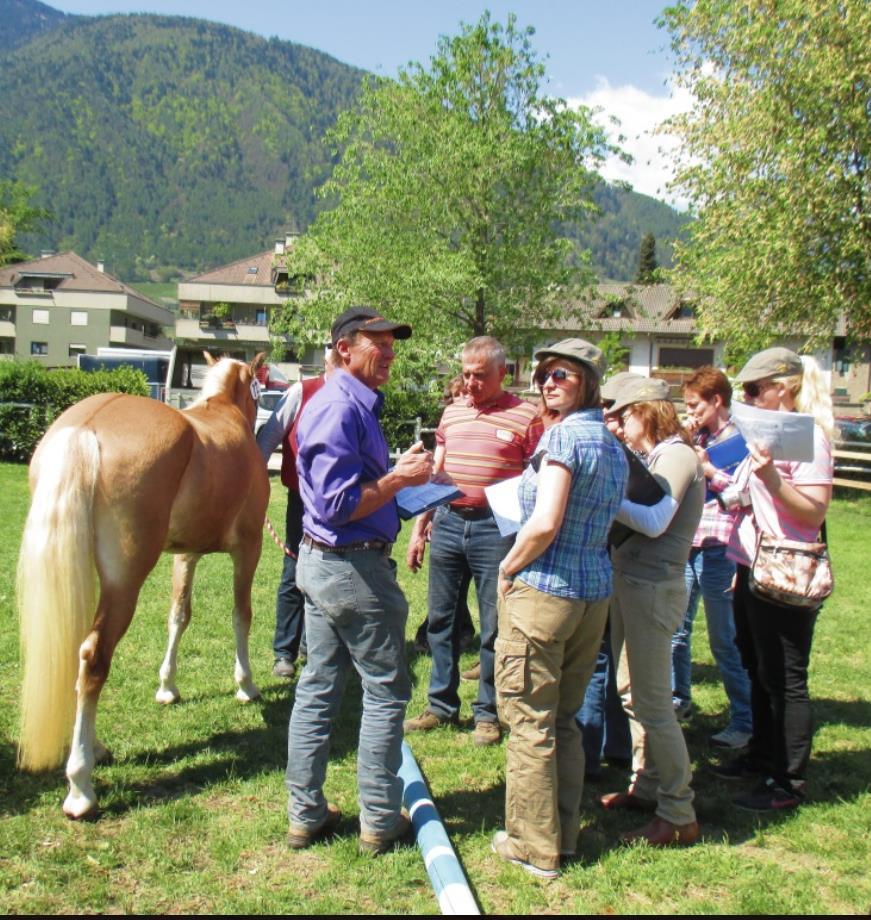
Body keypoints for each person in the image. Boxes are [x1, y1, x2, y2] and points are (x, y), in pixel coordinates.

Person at [285, 305, 434, 854]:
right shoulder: (338, 408)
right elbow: (338, 503)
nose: (391, 350)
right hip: (352, 569)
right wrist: (400, 478)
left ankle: (306, 815)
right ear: (344, 348)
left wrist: (395, 474)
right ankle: (378, 820)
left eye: (394, 342)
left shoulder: (347, 404)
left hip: (329, 566)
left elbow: (342, 489)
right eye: (380, 341)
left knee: (319, 689)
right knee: (386, 690)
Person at [489, 339, 628, 878]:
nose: (548, 382)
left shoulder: (565, 436)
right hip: (592, 592)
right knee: (563, 721)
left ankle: (533, 845)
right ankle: (563, 837)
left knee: (529, 723)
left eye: (563, 375)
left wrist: (508, 567)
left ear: (589, 382)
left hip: (546, 592)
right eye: (545, 373)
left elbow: (545, 522)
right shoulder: (613, 443)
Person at [404, 336, 543, 746]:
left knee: (494, 626)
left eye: (480, 376)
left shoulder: (527, 416)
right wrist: (419, 528)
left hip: (496, 530)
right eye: (465, 374)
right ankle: (441, 706)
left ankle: (487, 713)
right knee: (441, 621)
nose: (470, 383)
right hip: (448, 522)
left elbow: (537, 479)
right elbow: (439, 474)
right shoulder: (452, 413)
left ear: (504, 373)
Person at [715, 348, 833, 811]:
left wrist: (772, 479)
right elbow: (746, 496)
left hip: (786, 569)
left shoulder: (809, 440)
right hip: (752, 566)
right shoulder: (766, 439)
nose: (747, 398)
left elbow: (814, 510)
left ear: (784, 388)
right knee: (757, 667)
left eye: (753, 390)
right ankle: (762, 757)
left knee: (786, 677)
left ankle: (788, 781)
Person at [601, 375, 705, 847]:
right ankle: (645, 789)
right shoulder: (656, 457)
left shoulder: (678, 456)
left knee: (655, 705)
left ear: (647, 411)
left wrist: (607, 500)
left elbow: (657, 520)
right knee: (631, 694)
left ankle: (678, 811)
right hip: (632, 584)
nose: (620, 426)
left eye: (624, 415)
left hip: (653, 589)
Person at [670, 367, 753, 748]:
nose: (691, 411)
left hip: (721, 550)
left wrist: (709, 470)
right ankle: (677, 700)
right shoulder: (697, 437)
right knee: (676, 632)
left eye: (695, 405)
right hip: (689, 544)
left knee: (724, 641)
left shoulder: (742, 441)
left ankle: (744, 720)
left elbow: (743, 497)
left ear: (717, 400)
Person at [256, 350, 337, 680]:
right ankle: (285, 652)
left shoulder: (362, 395)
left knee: (329, 572)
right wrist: (254, 479)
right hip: (302, 501)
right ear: (331, 362)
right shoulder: (301, 392)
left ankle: (312, 644)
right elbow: (268, 437)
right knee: (294, 570)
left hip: (340, 502)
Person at [575, 371, 636, 777]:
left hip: (624, 570)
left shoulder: (628, 455)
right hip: (608, 564)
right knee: (603, 660)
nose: (611, 422)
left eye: (619, 415)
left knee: (613, 662)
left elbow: (656, 518)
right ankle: (596, 749)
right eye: (607, 413)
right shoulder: (615, 449)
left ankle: (613, 746)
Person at [413, 374, 476, 656]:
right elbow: (437, 478)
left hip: (482, 523)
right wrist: (424, 523)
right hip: (448, 517)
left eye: (463, 395)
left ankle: (459, 630)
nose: (459, 401)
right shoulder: (448, 426)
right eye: (454, 396)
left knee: (462, 583)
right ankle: (453, 631)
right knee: (451, 584)